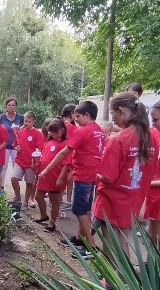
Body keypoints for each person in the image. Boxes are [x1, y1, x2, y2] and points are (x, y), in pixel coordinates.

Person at [93, 92, 158, 257]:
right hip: (133, 199)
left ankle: (113, 274)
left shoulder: (119, 139)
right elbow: (150, 171)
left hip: (112, 202)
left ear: (121, 110)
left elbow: (107, 177)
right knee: (122, 241)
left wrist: (96, 173)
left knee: (111, 247)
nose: (113, 118)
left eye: (113, 113)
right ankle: (121, 273)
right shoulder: (151, 139)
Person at [39, 101, 105, 259]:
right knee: (85, 208)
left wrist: (46, 170)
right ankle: (79, 237)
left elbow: (64, 153)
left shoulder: (83, 131)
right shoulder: (99, 131)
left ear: (87, 115)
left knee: (79, 210)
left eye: (78, 117)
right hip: (93, 174)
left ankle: (92, 247)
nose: (76, 120)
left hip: (83, 175)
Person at [34, 118, 71, 232]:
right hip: (44, 175)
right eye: (51, 132)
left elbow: (66, 163)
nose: (52, 134)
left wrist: (61, 177)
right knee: (38, 196)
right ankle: (43, 215)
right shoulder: (49, 142)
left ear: (62, 131)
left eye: (55, 132)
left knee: (54, 201)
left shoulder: (65, 144)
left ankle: (52, 223)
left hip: (56, 175)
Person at [11, 111, 44, 209]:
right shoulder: (20, 132)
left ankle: (26, 201)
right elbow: (15, 144)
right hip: (19, 161)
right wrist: (16, 148)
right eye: (25, 121)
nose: (26, 123)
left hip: (31, 163)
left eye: (29, 121)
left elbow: (40, 149)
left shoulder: (37, 133)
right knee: (14, 178)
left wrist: (36, 162)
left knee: (29, 183)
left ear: (34, 122)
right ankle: (18, 197)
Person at [143, 101, 160, 247]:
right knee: (152, 228)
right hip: (153, 194)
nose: (153, 124)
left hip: (155, 189)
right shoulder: (154, 133)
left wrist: (148, 182)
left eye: (155, 119)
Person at [0, 98, 24, 188]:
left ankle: (16, 188)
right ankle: (1, 187)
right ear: (6, 107)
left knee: (16, 167)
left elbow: (27, 125)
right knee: (3, 167)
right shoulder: (2, 117)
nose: (11, 107)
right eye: (9, 105)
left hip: (16, 147)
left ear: (16, 106)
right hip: (4, 146)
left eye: (13, 105)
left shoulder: (20, 117)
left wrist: (20, 129)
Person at [61, 104, 77, 209]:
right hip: (70, 155)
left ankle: (59, 200)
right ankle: (68, 201)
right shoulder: (74, 128)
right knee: (69, 180)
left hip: (60, 155)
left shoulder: (60, 124)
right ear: (71, 113)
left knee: (62, 178)